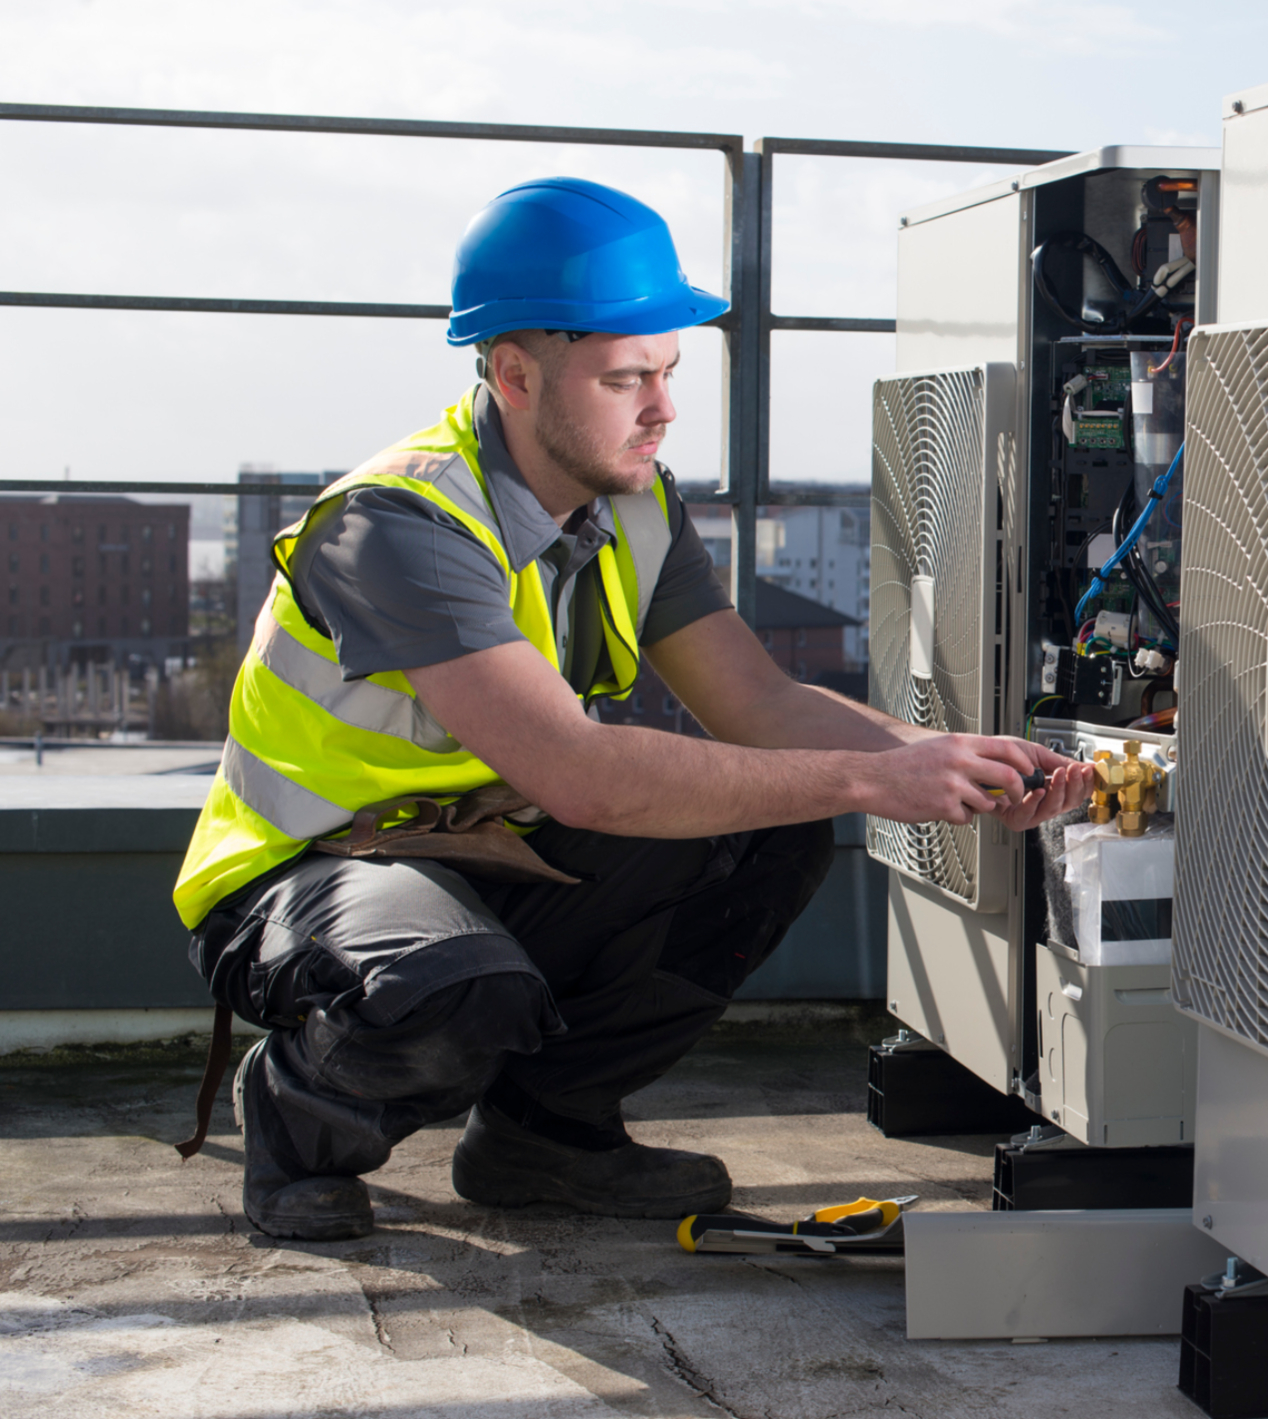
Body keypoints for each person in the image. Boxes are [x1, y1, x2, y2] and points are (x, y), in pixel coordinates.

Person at [173, 176, 1090, 1242]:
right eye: (625, 379)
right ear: (514, 374)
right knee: (457, 990)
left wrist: (954, 761)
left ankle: (544, 1135)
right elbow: (581, 774)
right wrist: (879, 777)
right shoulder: (399, 524)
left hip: (490, 853)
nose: (661, 409)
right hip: (316, 873)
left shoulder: (635, 506)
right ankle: (301, 1121)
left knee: (772, 828)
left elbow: (758, 701)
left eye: (667, 372)